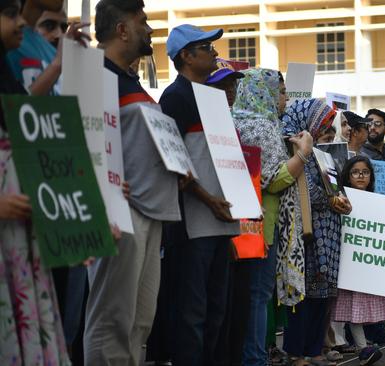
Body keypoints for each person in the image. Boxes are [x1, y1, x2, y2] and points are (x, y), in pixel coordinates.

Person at [85, 1, 181, 365]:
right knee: (112, 319)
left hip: (148, 213)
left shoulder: (127, 79)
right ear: (122, 29)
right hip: (120, 214)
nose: (150, 29)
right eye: (143, 22)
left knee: (139, 321)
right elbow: (84, 137)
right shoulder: (96, 74)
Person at [158, 24, 240, 366]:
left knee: (217, 310)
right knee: (192, 312)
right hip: (194, 225)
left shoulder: (212, 98)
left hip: (222, 223)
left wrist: (236, 207)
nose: (214, 52)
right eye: (206, 47)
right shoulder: (174, 98)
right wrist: (210, 201)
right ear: (186, 56)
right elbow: (174, 161)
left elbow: (226, 159)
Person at [0, 1, 69, 363]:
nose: (19, 24)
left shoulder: (6, 76)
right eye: (10, 14)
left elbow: (21, 118)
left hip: (20, 240)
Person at [232, 68, 311, 366]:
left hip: (243, 222)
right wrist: (302, 154)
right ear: (262, 92)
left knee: (249, 295)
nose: (285, 98)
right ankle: (254, 358)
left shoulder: (237, 119)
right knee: (258, 295)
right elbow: (273, 180)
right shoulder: (262, 126)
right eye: (280, 91)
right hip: (260, 225)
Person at [282, 98, 350, 366]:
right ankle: (298, 352)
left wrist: (342, 200)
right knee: (305, 296)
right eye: (322, 128)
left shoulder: (324, 156)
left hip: (329, 232)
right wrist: (333, 199)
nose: (327, 133)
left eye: (328, 128)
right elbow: (309, 193)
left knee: (324, 295)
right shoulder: (297, 152)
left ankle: (314, 350)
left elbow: (336, 188)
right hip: (308, 234)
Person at [331, 155, 385, 365]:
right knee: (355, 305)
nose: (360, 176)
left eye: (365, 172)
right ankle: (363, 349)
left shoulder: (382, 203)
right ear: (347, 176)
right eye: (355, 172)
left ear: (371, 176)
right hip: (352, 265)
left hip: (377, 266)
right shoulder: (339, 201)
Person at [205, 59, 251, 365]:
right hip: (208, 225)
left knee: (233, 305)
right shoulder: (207, 122)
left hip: (239, 227)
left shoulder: (233, 125)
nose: (231, 90)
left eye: (233, 84)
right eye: (224, 85)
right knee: (211, 308)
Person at [6, 0, 87, 96]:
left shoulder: (53, 52)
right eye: (49, 26)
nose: (58, 34)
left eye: (64, 28)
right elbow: (20, 108)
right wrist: (57, 65)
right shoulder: (8, 40)